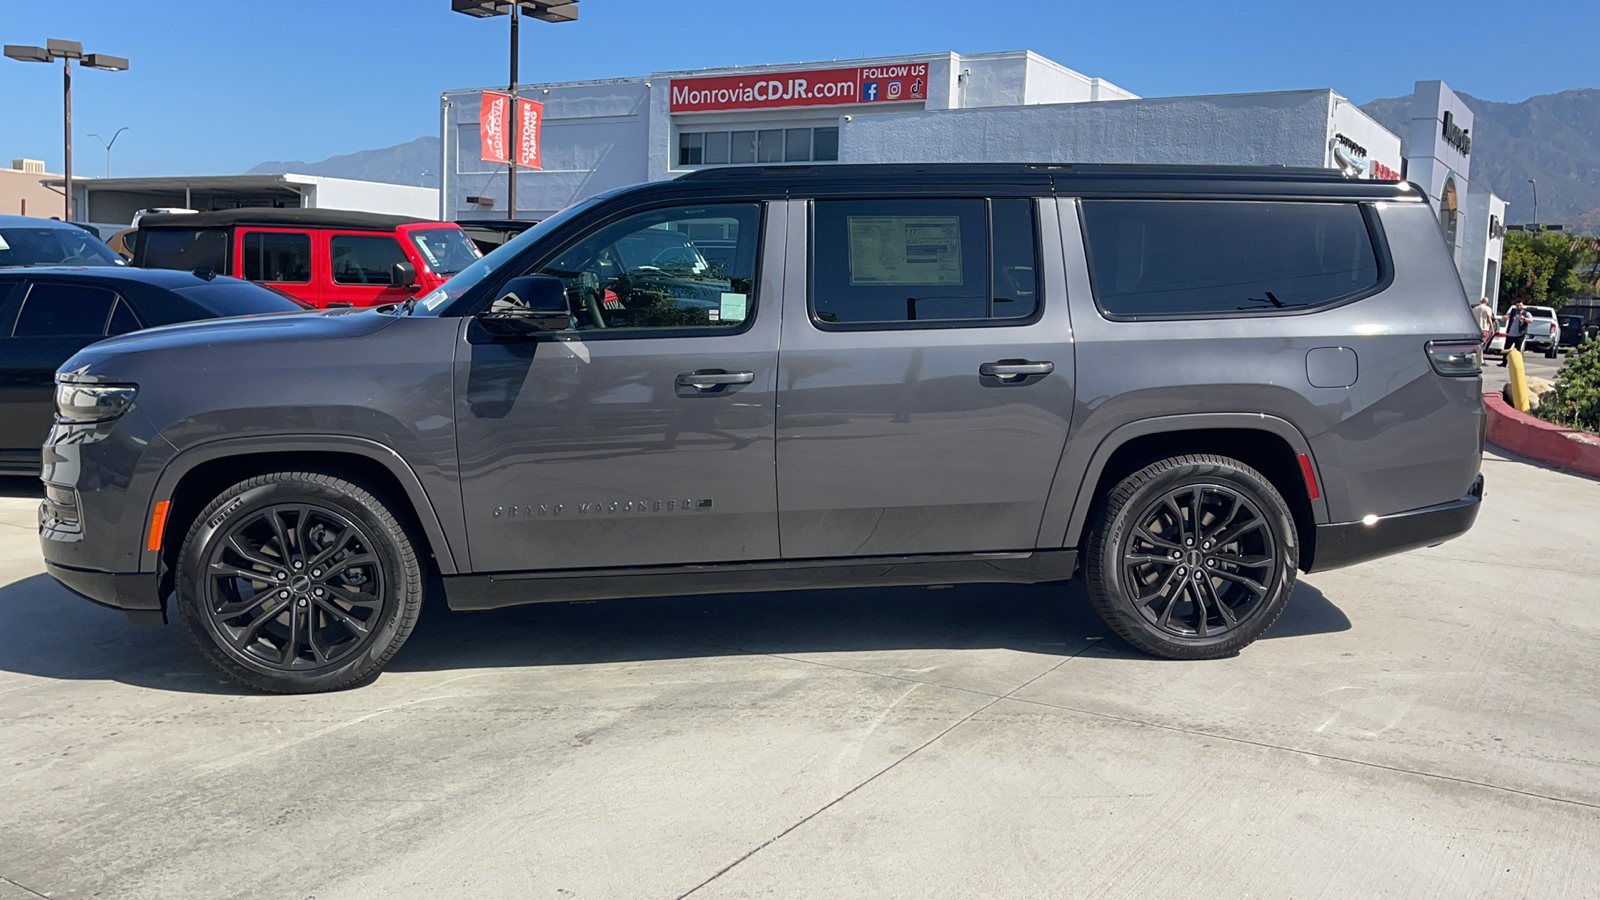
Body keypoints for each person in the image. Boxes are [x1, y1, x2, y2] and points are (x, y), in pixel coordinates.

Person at [1499, 300, 1532, 366]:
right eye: (1517, 305)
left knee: (1518, 350)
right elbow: (1504, 317)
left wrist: (1524, 318)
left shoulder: (1526, 313)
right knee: (1506, 349)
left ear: (1523, 306)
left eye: (1520, 305)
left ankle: (1517, 364)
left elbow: (1531, 321)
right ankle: (1504, 363)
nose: (1519, 307)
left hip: (1520, 334)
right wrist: (1504, 318)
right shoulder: (1512, 312)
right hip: (1510, 334)